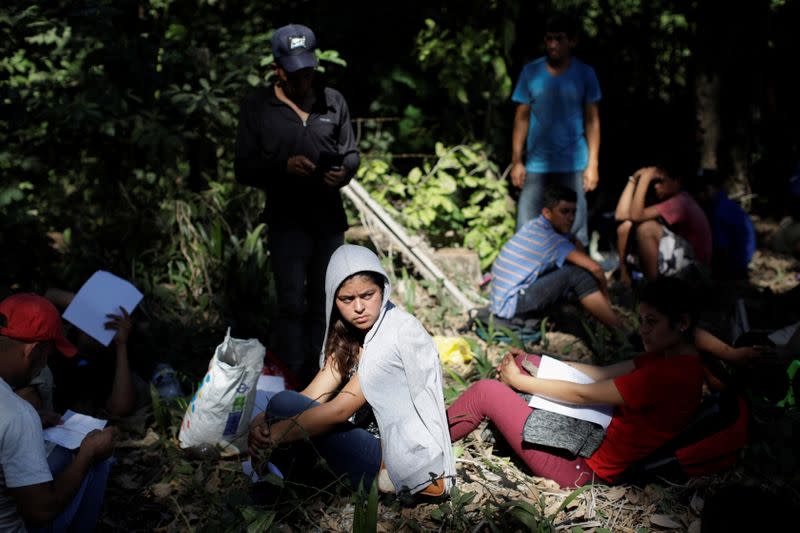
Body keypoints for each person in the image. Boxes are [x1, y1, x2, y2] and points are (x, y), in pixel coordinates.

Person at [449, 277, 706, 488]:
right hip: (588, 435)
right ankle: (490, 421)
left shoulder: (668, 374)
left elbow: (583, 395)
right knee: (529, 363)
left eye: (652, 322)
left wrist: (518, 380)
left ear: (682, 323)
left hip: (582, 468)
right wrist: (534, 365)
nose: (642, 330)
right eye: (642, 321)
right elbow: (602, 373)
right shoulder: (670, 356)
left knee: (486, 391)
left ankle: (429, 440)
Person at [248, 245, 455, 496]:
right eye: (347, 299)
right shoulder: (350, 334)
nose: (359, 308)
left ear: (383, 289)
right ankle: (287, 488)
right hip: (363, 443)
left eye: (368, 295)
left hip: (393, 457)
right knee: (282, 403)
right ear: (334, 300)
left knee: (284, 408)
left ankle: (285, 491)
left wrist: (276, 433)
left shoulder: (393, 335)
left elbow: (340, 410)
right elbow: (313, 394)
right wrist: (264, 420)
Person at [235, 23, 360, 386]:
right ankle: (290, 378)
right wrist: (283, 167)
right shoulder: (258, 106)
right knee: (291, 303)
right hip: (286, 222)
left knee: (329, 300)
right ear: (278, 69)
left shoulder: (333, 101)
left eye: (309, 70)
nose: (304, 79)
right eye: (295, 72)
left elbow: (351, 154)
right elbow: (243, 167)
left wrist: (344, 173)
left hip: (328, 220)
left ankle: (327, 374)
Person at [0, 293, 116, 531]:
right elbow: (41, 512)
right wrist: (86, 455)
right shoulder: (18, 415)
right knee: (97, 457)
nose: (43, 365)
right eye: (46, 357)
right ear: (32, 351)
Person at [510, 13, 601, 245]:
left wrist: (593, 164)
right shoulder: (531, 72)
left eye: (559, 39)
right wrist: (517, 161)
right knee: (526, 227)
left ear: (572, 41)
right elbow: (521, 118)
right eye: (549, 39)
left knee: (575, 229)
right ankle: (528, 279)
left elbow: (592, 120)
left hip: (573, 164)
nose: (553, 44)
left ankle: (578, 280)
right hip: (536, 165)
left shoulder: (585, 73)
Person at [489, 184, 622, 331]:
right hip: (511, 304)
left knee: (573, 269)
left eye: (573, 212)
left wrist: (572, 238)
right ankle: (620, 331)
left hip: (502, 301)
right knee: (578, 275)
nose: (571, 218)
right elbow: (595, 268)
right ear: (547, 213)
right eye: (564, 212)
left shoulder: (534, 226)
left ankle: (592, 315)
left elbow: (573, 242)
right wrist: (606, 298)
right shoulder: (553, 240)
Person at [615, 165, 712, 285]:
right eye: (654, 182)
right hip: (681, 260)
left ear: (677, 182)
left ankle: (654, 292)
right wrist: (633, 180)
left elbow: (636, 215)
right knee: (626, 227)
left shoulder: (680, 201)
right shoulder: (668, 200)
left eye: (661, 182)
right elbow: (620, 215)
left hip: (695, 269)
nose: (656, 186)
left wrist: (645, 178)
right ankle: (625, 280)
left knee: (646, 229)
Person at [694, 168, 756, 280]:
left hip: (734, 263)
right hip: (740, 258)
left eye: (701, 191)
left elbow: (721, 249)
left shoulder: (718, 210)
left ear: (710, 189)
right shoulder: (725, 204)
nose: (699, 196)